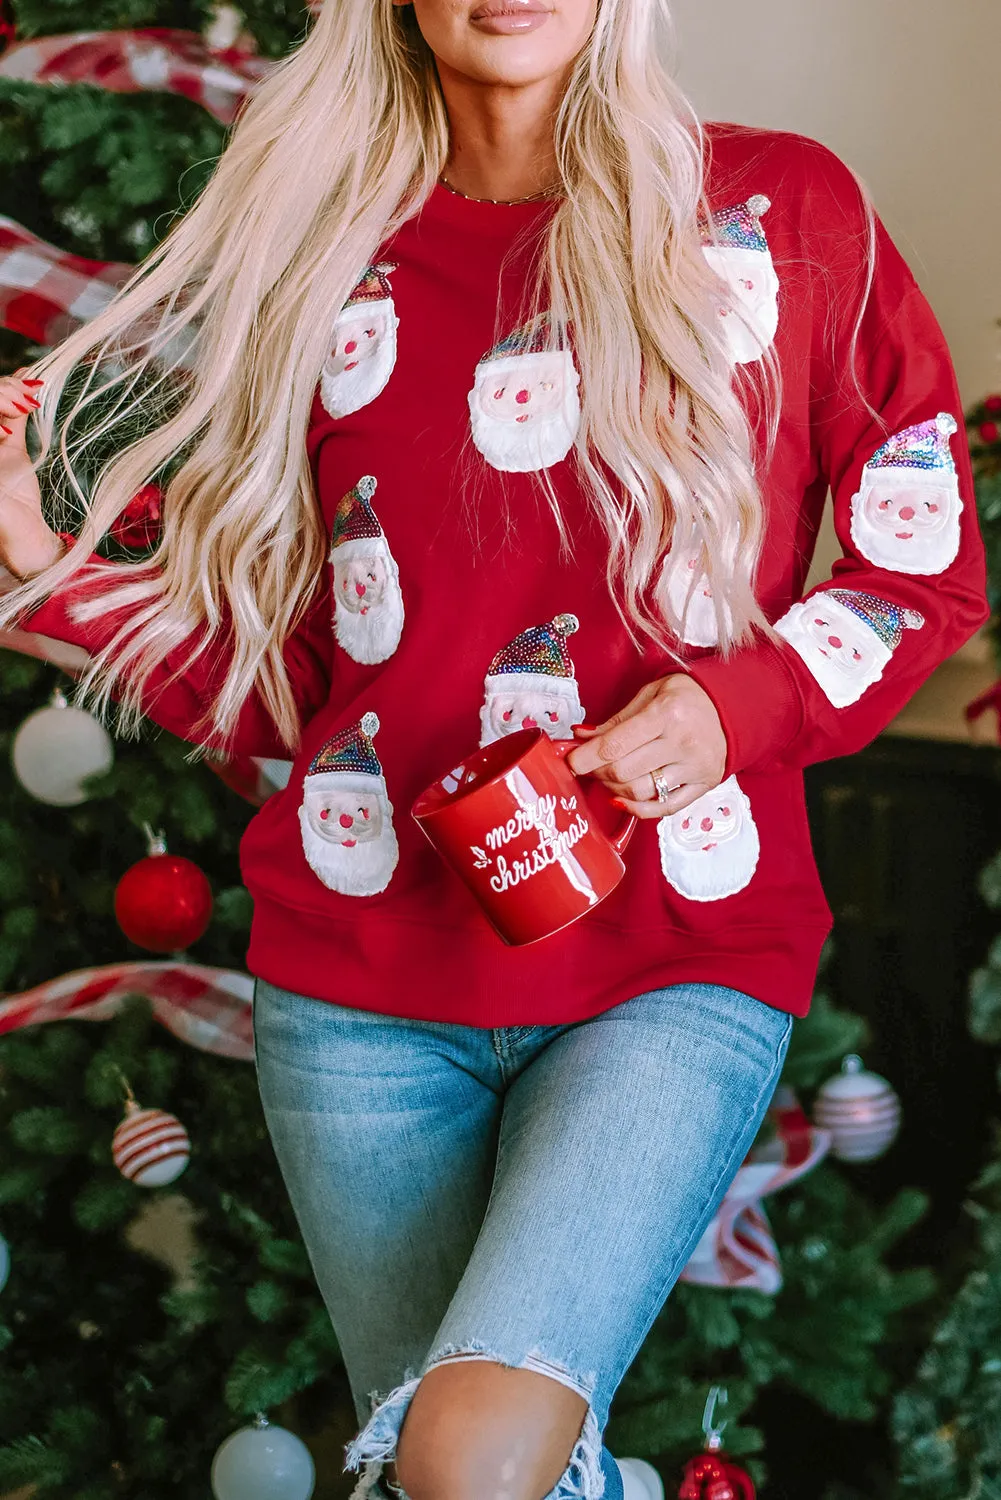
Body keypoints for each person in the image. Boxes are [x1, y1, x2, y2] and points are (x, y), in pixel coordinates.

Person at [0, 0, 987, 1494]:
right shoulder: (328, 256)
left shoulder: (781, 216)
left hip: (674, 958)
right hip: (362, 998)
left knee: (465, 1464)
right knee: (473, 1479)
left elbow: (921, 561)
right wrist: (49, 581)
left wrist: (737, 709)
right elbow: (309, 690)